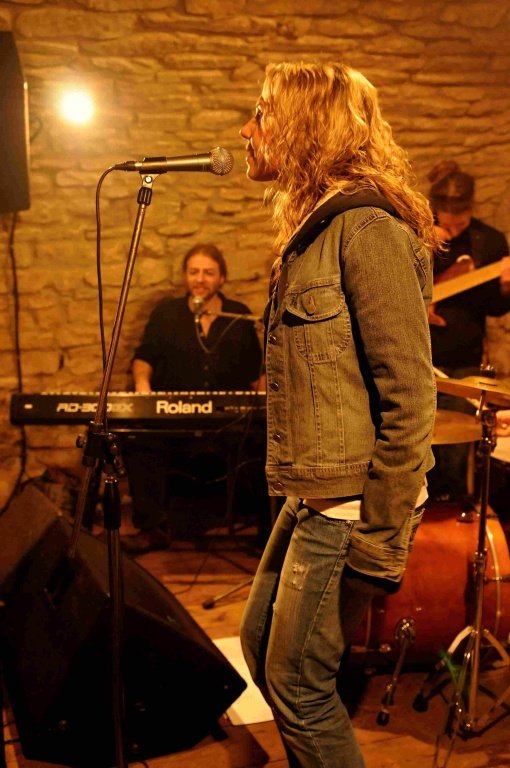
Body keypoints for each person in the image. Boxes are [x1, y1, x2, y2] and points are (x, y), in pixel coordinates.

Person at [238, 61, 438, 768]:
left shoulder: (367, 228)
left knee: (300, 684)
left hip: (350, 504)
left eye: (262, 114)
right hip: (313, 491)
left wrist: (381, 539)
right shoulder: (317, 230)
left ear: (305, 126)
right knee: (260, 649)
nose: (247, 130)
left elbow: (411, 394)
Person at [121, 242, 266, 554]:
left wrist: (266, 405)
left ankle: (267, 537)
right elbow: (144, 358)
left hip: (229, 427)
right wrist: (143, 387)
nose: (200, 279)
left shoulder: (238, 315)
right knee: (137, 441)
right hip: (174, 424)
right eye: (194, 272)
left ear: (221, 278)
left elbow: (257, 373)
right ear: (185, 276)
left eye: (208, 273)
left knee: (266, 442)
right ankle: (153, 529)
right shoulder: (166, 313)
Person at [426, 160, 510, 503]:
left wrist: (505, 288)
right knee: (418, 448)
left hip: (464, 362)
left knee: (457, 450)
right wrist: (425, 244)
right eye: (446, 221)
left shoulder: (489, 241)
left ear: (471, 209)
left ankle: (455, 510)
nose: (453, 229)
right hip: (419, 357)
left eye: (460, 223)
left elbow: (495, 308)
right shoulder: (415, 233)